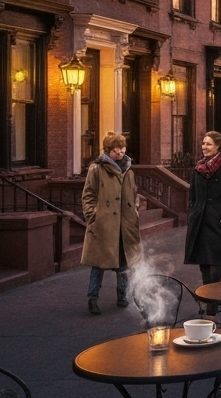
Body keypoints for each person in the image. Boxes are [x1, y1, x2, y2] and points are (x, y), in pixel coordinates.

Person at [81, 132, 143, 315]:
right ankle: (92, 298)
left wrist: (135, 211)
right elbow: (88, 195)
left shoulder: (128, 170)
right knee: (98, 264)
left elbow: (134, 194)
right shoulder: (97, 169)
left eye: (122, 149)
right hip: (104, 223)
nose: (121, 153)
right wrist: (93, 216)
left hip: (125, 224)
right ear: (108, 151)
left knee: (124, 263)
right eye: (116, 150)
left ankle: (122, 296)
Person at [184, 131, 221, 292]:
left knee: (216, 266)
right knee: (204, 264)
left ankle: (213, 305)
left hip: (218, 223)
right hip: (200, 223)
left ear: (218, 146)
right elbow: (193, 197)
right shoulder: (198, 169)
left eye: (208, 144)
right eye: (203, 143)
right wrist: (192, 214)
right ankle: (208, 297)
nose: (204, 147)